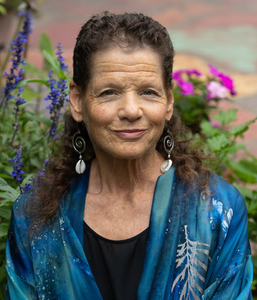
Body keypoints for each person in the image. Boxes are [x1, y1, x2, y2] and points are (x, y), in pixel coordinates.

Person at [5, 11, 253, 300]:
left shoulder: (217, 209)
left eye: (148, 92)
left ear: (169, 102)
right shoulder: (34, 216)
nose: (132, 110)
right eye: (110, 92)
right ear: (76, 101)